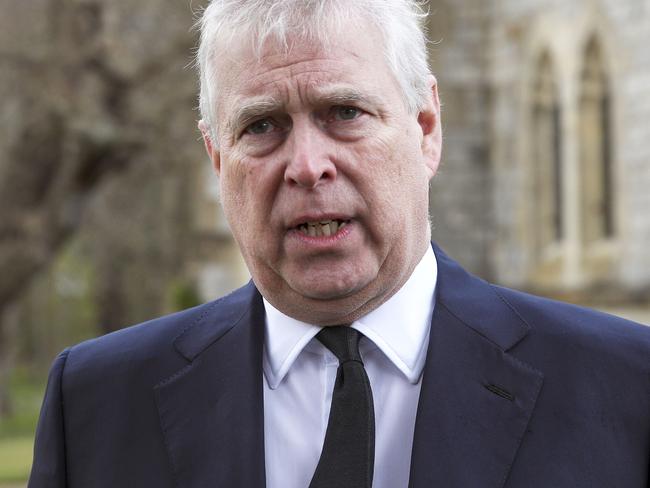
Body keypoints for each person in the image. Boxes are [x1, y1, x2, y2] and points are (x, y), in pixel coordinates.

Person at [29, 1, 650, 487]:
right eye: (262, 126)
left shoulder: (624, 384)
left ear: (426, 129)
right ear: (217, 159)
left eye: (345, 112)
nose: (306, 165)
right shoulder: (95, 405)